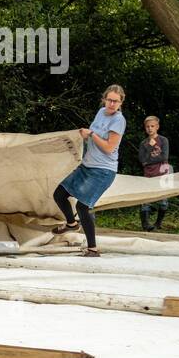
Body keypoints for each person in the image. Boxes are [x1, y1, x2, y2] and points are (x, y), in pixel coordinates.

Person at [52, 85, 126, 257]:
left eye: (116, 101)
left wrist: (91, 134)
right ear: (104, 99)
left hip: (103, 171)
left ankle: (93, 249)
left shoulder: (118, 120)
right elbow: (95, 134)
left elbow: (108, 147)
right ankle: (71, 223)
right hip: (87, 165)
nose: (112, 104)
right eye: (109, 100)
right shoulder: (101, 112)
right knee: (59, 194)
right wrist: (85, 135)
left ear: (121, 102)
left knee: (82, 206)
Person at [137, 114, 171, 232]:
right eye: (147, 126)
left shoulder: (163, 140)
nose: (150, 128)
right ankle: (146, 225)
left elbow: (164, 157)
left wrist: (149, 159)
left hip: (163, 173)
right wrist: (150, 149)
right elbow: (142, 160)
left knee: (163, 202)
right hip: (149, 174)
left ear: (157, 127)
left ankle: (158, 223)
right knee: (146, 200)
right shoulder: (143, 143)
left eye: (152, 126)